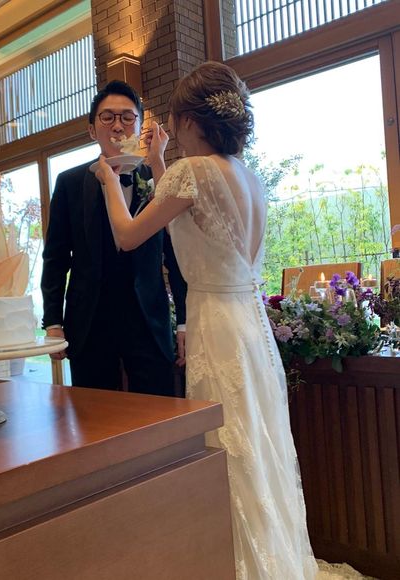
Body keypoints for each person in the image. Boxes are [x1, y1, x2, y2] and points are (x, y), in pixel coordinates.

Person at [95, 62, 321, 578]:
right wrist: (158, 162)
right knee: (256, 439)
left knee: (226, 442)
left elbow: (128, 235)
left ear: (191, 120)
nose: (172, 128)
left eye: (175, 118)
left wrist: (109, 177)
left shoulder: (191, 172)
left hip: (216, 325)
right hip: (250, 323)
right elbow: (189, 216)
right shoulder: (247, 175)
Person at [41, 80, 187, 396]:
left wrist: (184, 322)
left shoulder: (158, 179)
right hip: (89, 320)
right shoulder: (69, 183)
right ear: (92, 130)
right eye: (107, 117)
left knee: (158, 409)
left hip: (148, 318)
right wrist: (53, 322)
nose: (118, 126)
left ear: (139, 125)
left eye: (127, 117)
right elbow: (55, 257)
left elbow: (177, 253)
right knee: (93, 413)